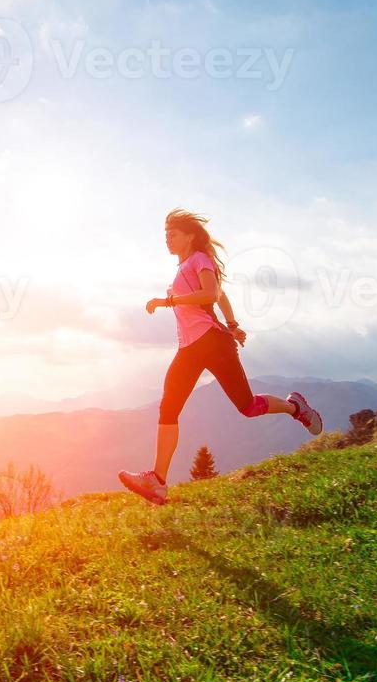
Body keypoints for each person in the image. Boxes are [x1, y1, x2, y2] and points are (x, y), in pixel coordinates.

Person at [118, 209, 323, 506]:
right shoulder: (186, 266)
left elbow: (211, 293)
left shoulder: (200, 259)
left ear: (190, 236)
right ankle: (158, 482)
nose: (167, 239)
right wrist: (233, 324)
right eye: (165, 235)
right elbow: (221, 295)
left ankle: (296, 408)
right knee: (169, 407)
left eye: (173, 234)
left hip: (212, 344)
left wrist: (169, 301)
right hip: (190, 347)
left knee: (248, 406)